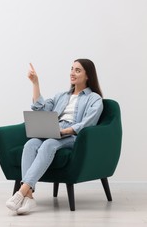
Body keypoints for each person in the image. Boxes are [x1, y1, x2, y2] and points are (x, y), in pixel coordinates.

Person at [6, 59, 104, 215]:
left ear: (87, 75)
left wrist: (64, 131)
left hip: (73, 135)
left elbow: (88, 123)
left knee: (49, 144)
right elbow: (40, 109)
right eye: (72, 69)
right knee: (30, 144)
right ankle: (29, 197)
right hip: (54, 129)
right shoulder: (61, 96)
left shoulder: (94, 98)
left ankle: (21, 191)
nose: (72, 73)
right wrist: (35, 83)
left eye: (78, 70)